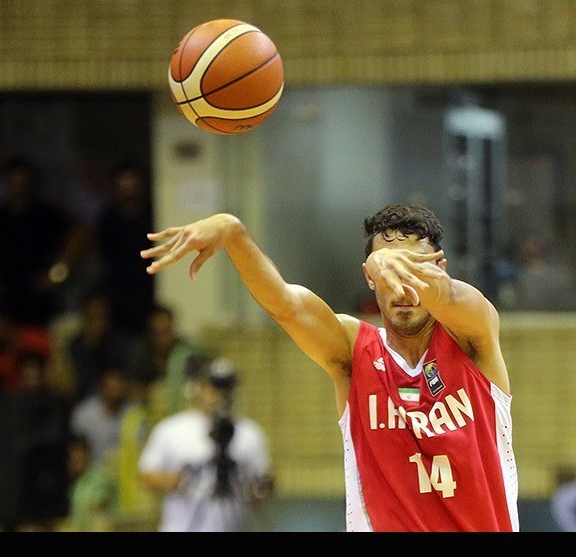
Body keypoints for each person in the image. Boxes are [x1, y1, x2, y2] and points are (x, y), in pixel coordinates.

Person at [141, 204, 519, 532]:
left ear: (441, 268)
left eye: (414, 266)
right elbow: (286, 305)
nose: (402, 286)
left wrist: (393, 262)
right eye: (389, 270)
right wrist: (234, 234)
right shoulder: (354, 352)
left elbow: (450, 295)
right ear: (369, 276)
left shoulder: (473, 335)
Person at [138, 357, 274, 532]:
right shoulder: (171, 429)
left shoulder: (249, 432)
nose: (221, 395)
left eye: (227, 388)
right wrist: (180, 481)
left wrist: (260, 486)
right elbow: (146, 474)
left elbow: (263, 483)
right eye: (215, 387)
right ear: (200, 388)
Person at [0, 157, 86, 328]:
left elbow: (76, 237)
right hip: (6, 292)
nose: (18, 186)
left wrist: (56, 274)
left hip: (39, 294)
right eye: (13, 181)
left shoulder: (45, 213)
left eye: (23, 181)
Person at [95, 161, 156, 336]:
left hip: (147, 285)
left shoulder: (151, 215)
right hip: (117, 288)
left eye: (132, 183)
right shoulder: (108, 219)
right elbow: (103, 254)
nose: (128, 188)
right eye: (123, 183)